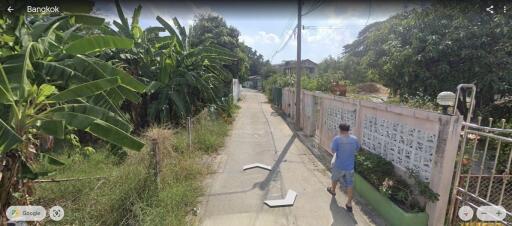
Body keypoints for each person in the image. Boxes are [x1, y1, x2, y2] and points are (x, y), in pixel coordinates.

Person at [326, 123, 360, 213]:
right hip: (350, 167)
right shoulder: (354, 139)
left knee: (335, 178)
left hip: (339, 165)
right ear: (348, 130)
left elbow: (333, 150)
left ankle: (333, 190)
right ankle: (349, 204)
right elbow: (357, 149)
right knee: (350, 184)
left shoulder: (337, 139)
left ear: (340, 130)